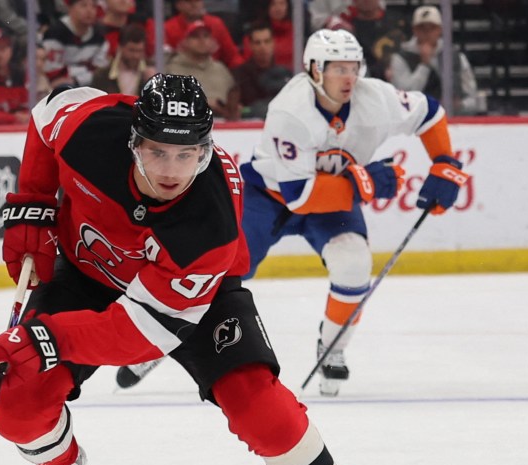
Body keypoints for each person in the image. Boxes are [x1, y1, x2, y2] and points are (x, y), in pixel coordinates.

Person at [0, 74, 416, 465]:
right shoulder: (92, 130)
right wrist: (33, 203)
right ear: (133, 141)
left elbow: (141, 334)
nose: (171, 170)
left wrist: (43, 339)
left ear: (205, 150)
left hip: (193, 299)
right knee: (15, 401)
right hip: (87, 274)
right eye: (158, 152)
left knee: (261, 408)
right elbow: (50, 112)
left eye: (187, 155)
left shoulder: (211, 219)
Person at [117, 30, 469, 398]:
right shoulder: (291, 109)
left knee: (354, 264)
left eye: (354, 67)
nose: (349, 77)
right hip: (270, 196)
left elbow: (429, 112)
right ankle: (164, 339)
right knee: (219, 270)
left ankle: (333, 348)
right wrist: (363, 183)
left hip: (330, 200)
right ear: (315, 70)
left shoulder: (376, 98)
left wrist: (445, 162)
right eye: (338, 68)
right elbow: (299, 195)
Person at [386, 6, 484, 115]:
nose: (427, 33)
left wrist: (460, 105)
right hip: (416, 119)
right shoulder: (400, 58)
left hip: (452, 117)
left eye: (432, 28)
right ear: (414, 30)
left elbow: (472, 96)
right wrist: (424, 65)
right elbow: (403, 98)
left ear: (440, 30)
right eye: (422, 28)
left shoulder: (455, 57)